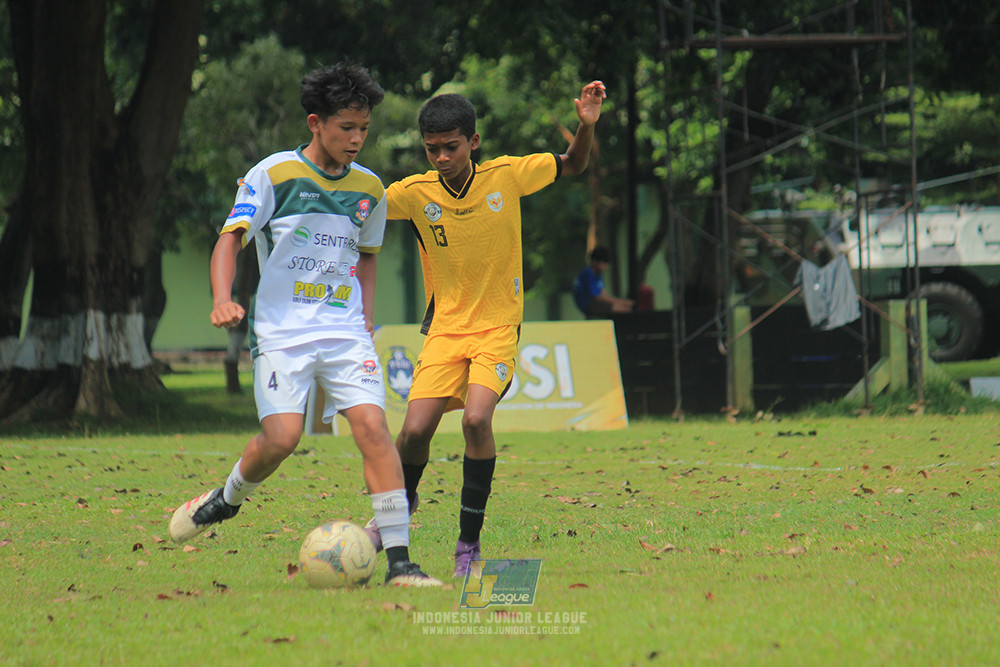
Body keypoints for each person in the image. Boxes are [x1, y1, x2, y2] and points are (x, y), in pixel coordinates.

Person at [168, 62, 440, 588]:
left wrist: (366, 314)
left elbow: (367, 256)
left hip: (343, 333)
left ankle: (401, 564)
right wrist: (221, 298)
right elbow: (230, 239)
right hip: (281, 332)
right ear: (316, 123)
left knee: (374, 430)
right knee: (283, 437)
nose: (357, 139)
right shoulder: (272, 175)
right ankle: (226, 498)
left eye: (364, 128)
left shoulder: (370, 190)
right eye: (346, 128)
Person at [364, 81, 607, 577]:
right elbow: (357, 208)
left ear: (472, 142)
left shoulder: (508, 175)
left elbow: (574, 164)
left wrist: (586, 125)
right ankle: (401, 508)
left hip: (497, 326)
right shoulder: (413, 193)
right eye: (431, 149)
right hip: (446, 331)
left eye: (450, 147)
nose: (440, 158)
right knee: (412, 431)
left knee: (476, 421)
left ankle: (467, 548)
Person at [572, 245, 634, 318]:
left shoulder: (597, 274)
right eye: (603, 263)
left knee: (624, 308)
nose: (605, 266)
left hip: (595, 302)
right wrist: (621, 302)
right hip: (588, 303)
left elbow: (603, 293)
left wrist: (621, 302)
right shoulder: (588, 274)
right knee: (621, 309)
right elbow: (597, 297)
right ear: (595, 261)